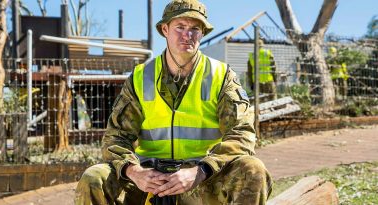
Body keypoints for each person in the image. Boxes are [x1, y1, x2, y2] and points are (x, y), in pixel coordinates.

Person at [75, 0, 272, 204]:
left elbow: (242, 134)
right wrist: (134, 172)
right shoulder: (141, 77)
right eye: (180, 27)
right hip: (149, 180)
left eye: (195, 28)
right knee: (94, 177)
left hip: (203, 180)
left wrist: (201, 171)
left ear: (202, 33)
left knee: (253, 170)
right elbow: (116, 137)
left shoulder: (221, 76)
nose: (187, 35)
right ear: (165, 29)